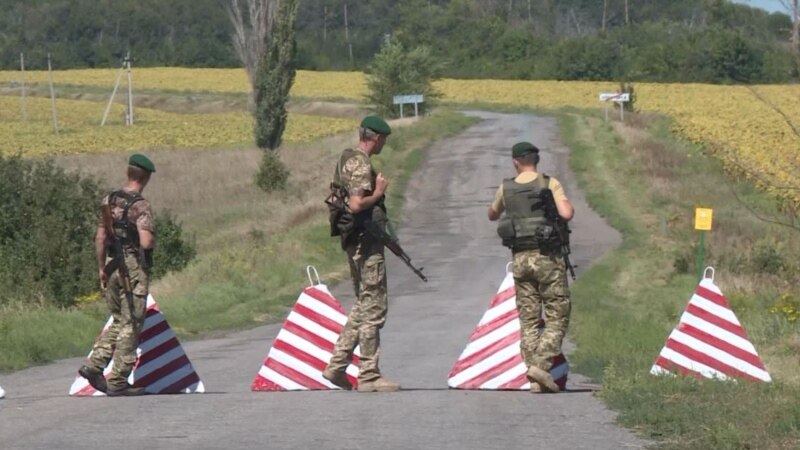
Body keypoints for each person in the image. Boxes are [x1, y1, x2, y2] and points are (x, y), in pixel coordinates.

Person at [488, 142, 574, 394]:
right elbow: (567, 213)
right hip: (547, 259)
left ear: (515, 161)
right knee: (557, 314)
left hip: (520, 260)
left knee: (528, 319)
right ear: (537, 160)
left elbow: (492, 214)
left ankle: (536, 379)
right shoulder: (549, 183)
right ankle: (540, 365)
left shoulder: (507, 187)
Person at [322, 116, 401, 393]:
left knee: (364, 304)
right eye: (384, 140)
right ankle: (369, 374)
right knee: (374, 308)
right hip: (365, 243)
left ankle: (337, 365)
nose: (384, 144)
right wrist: (378, 192)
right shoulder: (359, 162)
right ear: (376, 138)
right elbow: (356, 204)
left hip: (357, 241)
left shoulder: (348, 158)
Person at [78, 154, 156, 397]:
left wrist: (101, 268)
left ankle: (94, 365)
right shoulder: (140, 206)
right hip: (132, 269)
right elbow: (146, 241)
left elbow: (100, 238)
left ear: (128, 173)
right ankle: (119, 380)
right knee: (131, 322)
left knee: (118, 320)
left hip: (112, 266)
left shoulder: (109, 200)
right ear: (146, 177)